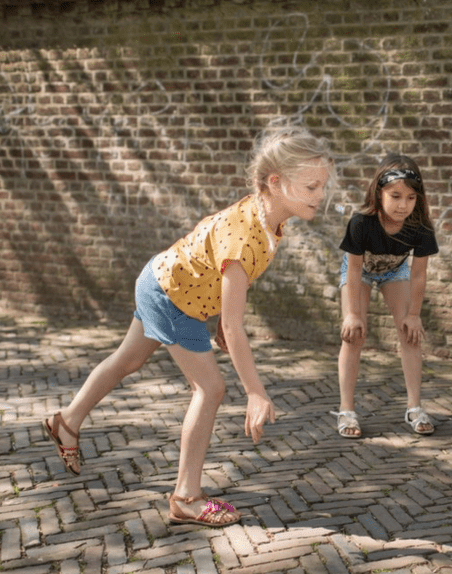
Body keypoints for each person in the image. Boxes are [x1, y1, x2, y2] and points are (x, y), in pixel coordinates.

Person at [42, 125, 334, 526]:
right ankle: (185, 496)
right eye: (312, 186)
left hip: (163, 280)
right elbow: (234, 328)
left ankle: (67, 422)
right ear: (276, 182)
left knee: (127, 361)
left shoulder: (268, 219)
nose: (321, 197)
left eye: (322, 186)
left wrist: (218, 316)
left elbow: (219, 276)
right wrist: (255, 391)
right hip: (172, 297)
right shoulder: (246, 234)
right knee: (211, 388)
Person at [334, 154, 439, 438]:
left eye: (410, 198)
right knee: (353, 333)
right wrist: (353, 313)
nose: (402, 205)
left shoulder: (421, 226)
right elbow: (354, 269)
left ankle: (414, 407)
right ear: (378, 192)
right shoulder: (361, 223)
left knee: (409, 332)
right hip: (361, 273)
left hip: (395, 272)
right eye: (395, 196)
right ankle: (347, 410)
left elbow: (418, 275)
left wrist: (414, 315)